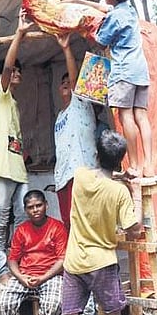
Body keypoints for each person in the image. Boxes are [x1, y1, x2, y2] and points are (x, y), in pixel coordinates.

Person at [64, 0, 154, 179]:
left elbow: (101, 42)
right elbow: (104, 8)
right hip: (140, 70)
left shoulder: (115, 17)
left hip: (124, 71)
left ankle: (134, 165)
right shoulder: (129, 11)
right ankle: (148, 165)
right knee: (142, 116)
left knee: (126, 116)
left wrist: (81, 29)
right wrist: (75, 0)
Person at [61, 130, 143, 315]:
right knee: (113, 314)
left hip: (74, 261)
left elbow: (98, 176)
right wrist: (136, 192)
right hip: (102, 263)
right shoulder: (119, 192)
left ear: (97, 156)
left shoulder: (80, 176)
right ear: (121, 160)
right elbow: (135, 230)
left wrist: (120, 175)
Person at [0, 9, 34, 286]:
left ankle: (17, 263)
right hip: (3, 168)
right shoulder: (0, 95)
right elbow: (6, 67)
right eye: (13, 71)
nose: (16, 74)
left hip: (18, 170)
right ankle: (0, 269)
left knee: (21, 217)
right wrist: (20, 33)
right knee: (0, 219)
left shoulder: (13, 103)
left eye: (18, 71)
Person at [0, 190, 68, 315]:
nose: (35, 210)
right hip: (25, 275)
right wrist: (21, 277)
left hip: (50, 275)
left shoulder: (57, 227)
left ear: (46, 205)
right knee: (3, 303)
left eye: (38, 205)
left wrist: (42, 278)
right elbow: (12, 260)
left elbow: (62, 260)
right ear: (25, 210)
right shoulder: (21, 230)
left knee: (53, 305)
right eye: (30, 207)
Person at [53, 32, 98, 232]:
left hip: (80, 171)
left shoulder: (80, 103)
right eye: (62, 82)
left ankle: (91, 262)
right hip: (63, 175)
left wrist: (66, 48)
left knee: (84, 222)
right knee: (69, 223)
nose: (66, 83)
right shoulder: (60, 115)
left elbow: (73, 79)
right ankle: (76, 261)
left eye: (68, 82)